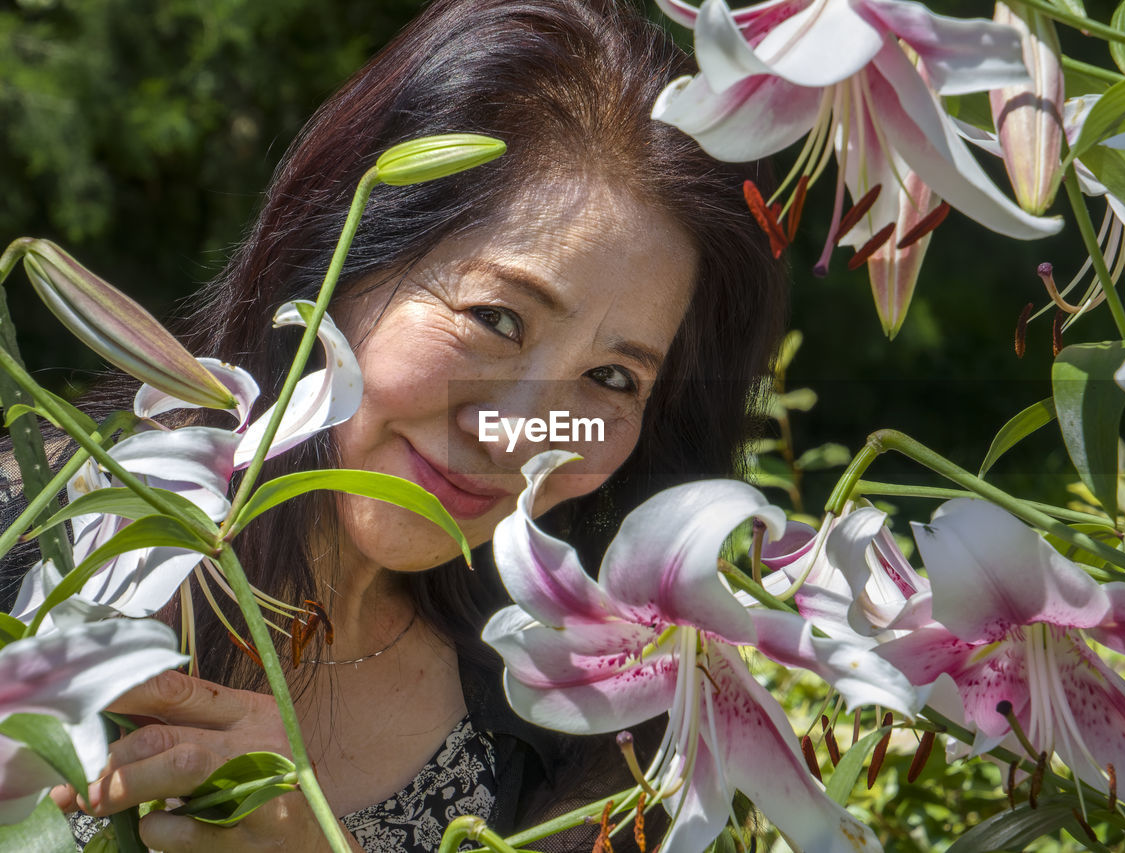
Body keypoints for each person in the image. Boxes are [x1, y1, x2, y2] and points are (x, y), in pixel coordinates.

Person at [27, 0, 787, 849]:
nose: (516, 435)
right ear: (335, 259)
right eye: (496, 318)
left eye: (612, 379)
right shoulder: (40, 524)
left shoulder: (573, 713)